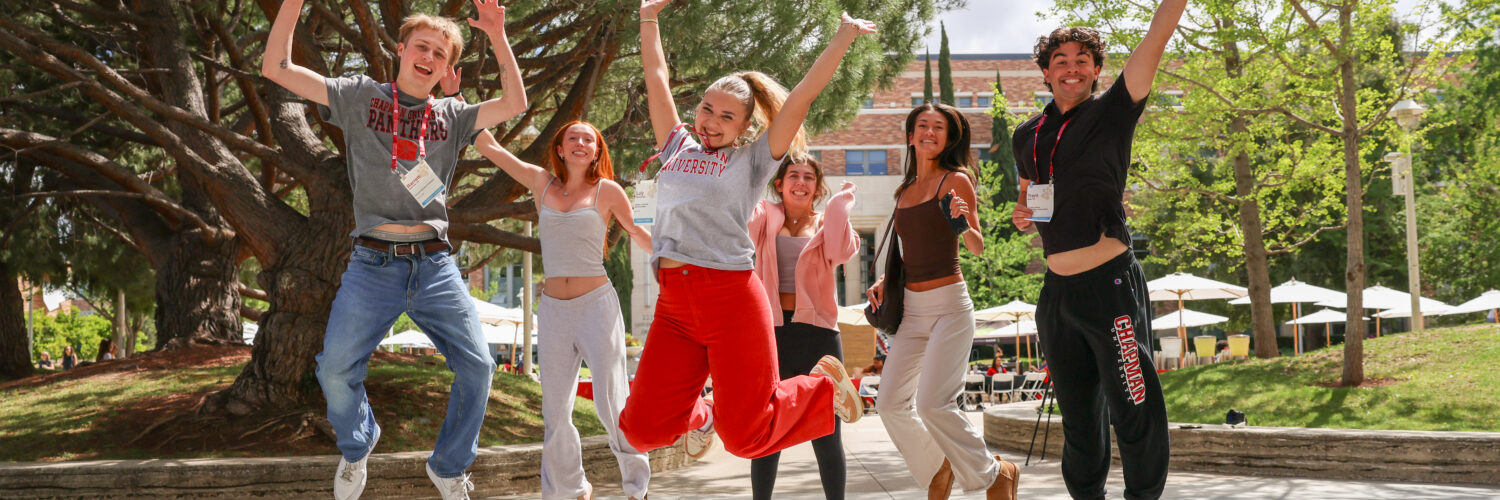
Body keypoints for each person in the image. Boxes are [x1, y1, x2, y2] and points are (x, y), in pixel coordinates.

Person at [260, 0, 527, 498]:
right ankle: (358, 445)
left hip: (435, 264)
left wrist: (496, 34)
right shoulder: (359, 97)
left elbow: (515, 103)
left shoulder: (453, 114)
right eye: (421, 47)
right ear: (401, 51)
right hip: (372, 263)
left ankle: (448, 466)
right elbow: (275, 66)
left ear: (448, 68)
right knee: (334, 369)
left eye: (440, 54)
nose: (428, 57)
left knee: (479, 366)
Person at [618, 0, 873, 467]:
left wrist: (843, 38)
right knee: (640, 429)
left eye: (725, 117)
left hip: (730, 298)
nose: (710, 122)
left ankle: (822, 385)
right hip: (674, 304)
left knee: (747, 438)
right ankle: (704, 416)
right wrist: (648, 15)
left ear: (745, 127)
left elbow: (800, 98)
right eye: (707, 109)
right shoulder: (676, 146)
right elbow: (656, 77)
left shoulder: (753, 161)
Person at [1009, 2, 1187, 498]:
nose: (1072, 66)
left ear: (1096, 70)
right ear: (1046, 72)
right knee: (1079, 419)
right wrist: (1022, 213)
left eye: (1082, 58)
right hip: (1056, 295)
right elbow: (1028, 198)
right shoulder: (1028, 134)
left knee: (1134, 405)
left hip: (1109, 285)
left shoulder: (1114, 111)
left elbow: (1156, 38)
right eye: (1061, 59)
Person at [473, 92, 654, 498]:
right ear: (559, 148)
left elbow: (640, 232)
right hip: (553, 309)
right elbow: (492, 149)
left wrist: (674, 257)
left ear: (596, 152)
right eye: (573, 137)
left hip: (597, 306)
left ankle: (637, 486)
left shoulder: (608, 191)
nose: (581, 143)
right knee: (555, 410)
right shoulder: (541, 183)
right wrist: (452, 98)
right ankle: (569, 489)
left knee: (611, 402)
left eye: (589, 140)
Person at [866, 103, 1018, 500]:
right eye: (922, 126)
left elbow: (977, 246)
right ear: (911, 134)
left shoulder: (956, 179)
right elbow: (910, 248)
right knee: (889, 404)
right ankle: (939, 467)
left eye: (939, 127)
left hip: (950, 305)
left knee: (935, 404)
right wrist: (887, 279)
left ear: (950, 137)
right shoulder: (903, 191)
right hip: (912, 311)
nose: (930, 132)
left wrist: (962, 222)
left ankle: (995, 473)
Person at [747, 157, 859, 500]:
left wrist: (841, 206)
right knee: (767, 431)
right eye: (793, 175)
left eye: (809, 177)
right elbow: (743, 225)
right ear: (779, 183)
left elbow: (843, 251)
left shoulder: (827, 223)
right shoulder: (766, 215)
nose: (801, 182)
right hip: (772, 334)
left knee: (827, 433)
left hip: (819, 336)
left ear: (817, 187)